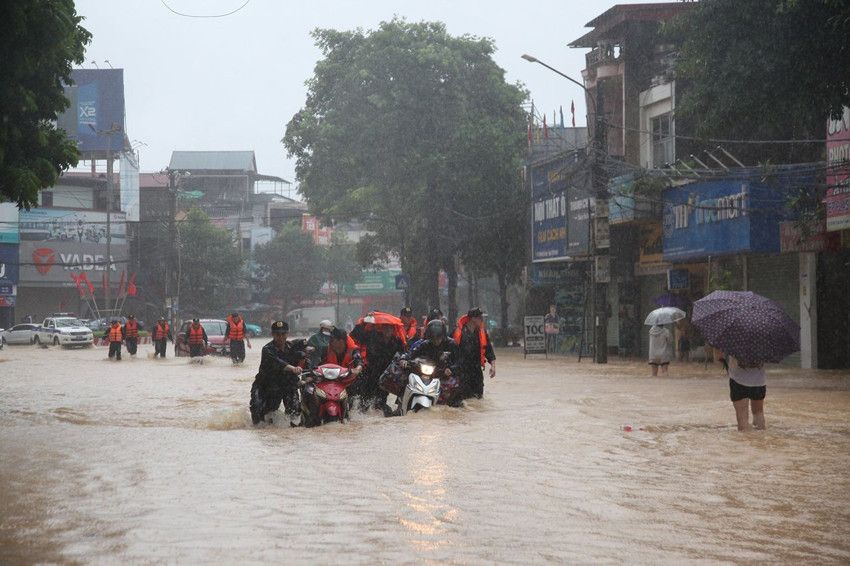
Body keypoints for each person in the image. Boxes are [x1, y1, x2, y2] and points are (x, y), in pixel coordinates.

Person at [249, 321, 307, 426]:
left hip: (286, 384)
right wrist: (293, 368)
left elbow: (306, 354)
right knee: (259, 413)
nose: (280, 337)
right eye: (277, 334)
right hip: (265, 386)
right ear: (272, 334)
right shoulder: (267, 349)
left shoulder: (293, 347)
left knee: (295, 412)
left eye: (283, 334)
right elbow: (277, 362)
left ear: (287, 334)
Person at [401, 319, 461, 406]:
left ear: (443, 336)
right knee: (405, 378)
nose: (436, 341)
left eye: (438, 338)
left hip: (444, 374)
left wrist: (451, 369)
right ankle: (401, 403)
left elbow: (459, 362)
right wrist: (404, 359)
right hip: (427, 373)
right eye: (433, 338)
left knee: (455, 390)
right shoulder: (425, 344)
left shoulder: (451, 344)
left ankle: (452, 405)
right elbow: (411, 354)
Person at [350, 319, 406, 411]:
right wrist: (364, 322)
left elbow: (403, 353)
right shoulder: (372, 336)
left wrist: (403, 360)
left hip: (386, 376)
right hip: (370, 372)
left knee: (380, 403)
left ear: (393, 330)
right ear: (382, 328)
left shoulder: (397, 341)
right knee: (364, 402)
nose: (387, 330)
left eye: (390, 328)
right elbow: (355, 336)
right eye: (386, 327)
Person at [453, 308, 496, 399]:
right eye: (480, 318)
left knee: (478, 399)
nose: (482, 320)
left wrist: (493, 366)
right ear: (473, 319)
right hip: (462, 372)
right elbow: (449, 350)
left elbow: (489, 350)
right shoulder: (458, 332)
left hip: (476, 371)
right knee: (464, 398)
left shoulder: (482, 333)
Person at [723, 355, 767, 432]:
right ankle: (761, 437)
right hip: (759, 382)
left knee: (742, 416)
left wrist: (724, 363)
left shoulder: (734, 347)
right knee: (758, 413)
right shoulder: (762, 347)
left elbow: (718, 355)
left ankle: (745, 439)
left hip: (738, 380)